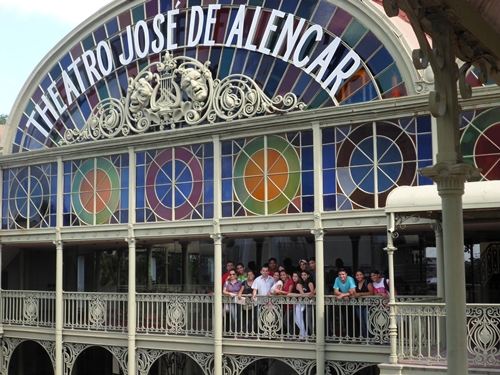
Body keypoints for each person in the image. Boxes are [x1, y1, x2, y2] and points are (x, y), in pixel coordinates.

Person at [251, 265, 275, 336]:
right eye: (263, 271)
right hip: (260, 302)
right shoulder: (257, 279)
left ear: (269, 272)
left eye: (266, 271)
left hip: (270, 302)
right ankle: (261, 334)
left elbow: (275, 289)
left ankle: (269, 334)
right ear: (261, 271)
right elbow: (255, 290)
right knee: (260, 318)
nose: (265, 272)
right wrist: (253, 296)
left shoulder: (272, 279)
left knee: (269, 319)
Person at [333, 268, 356, 340]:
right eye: (340, 274)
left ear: (346, 274)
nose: (341, 276)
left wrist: (342, 295)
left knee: (354, 320)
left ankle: (354, 337)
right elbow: (335, 291)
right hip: (344, 302)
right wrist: (344, 295)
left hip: (353, 302)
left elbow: (353, 291)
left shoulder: (350, 279)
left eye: (343, 274)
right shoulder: (337, 279)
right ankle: (348, 336)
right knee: (345, 319)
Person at [353, 269, 374, 340]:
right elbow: (352, 291)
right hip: (358, 305)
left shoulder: (367, 282)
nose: (359, 276)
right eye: (357, 275)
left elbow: (371, 292)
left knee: (367, 321)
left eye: (360, 275)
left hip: (367, 305)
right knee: (362, 322)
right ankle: (366, 338)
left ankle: (371, 338)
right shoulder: (355, 283)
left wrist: (360, 294)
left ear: (363, 275)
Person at [238, 269, 256, 336]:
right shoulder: (244, 282)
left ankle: (252, 333)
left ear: (254, 275)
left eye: (251, 274)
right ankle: (246, 332)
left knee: (253, 318)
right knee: (245, 318)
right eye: (248, 275)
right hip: (245, 303)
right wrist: (240, 293)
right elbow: (241, 290)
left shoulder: (256, 282)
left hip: (254, 303)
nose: (250, 276)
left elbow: (256, 290)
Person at [300, 270, 315, 336]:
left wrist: (303, 294)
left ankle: (312, 334)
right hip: (306, 302)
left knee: (309, 319)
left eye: (305, 275)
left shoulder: (310, 282)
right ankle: (309, 334)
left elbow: (312, 292)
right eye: (302, 275)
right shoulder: (304, 283)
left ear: (308, 275)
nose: (303, 276)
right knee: (306, 318)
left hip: (310, 302)